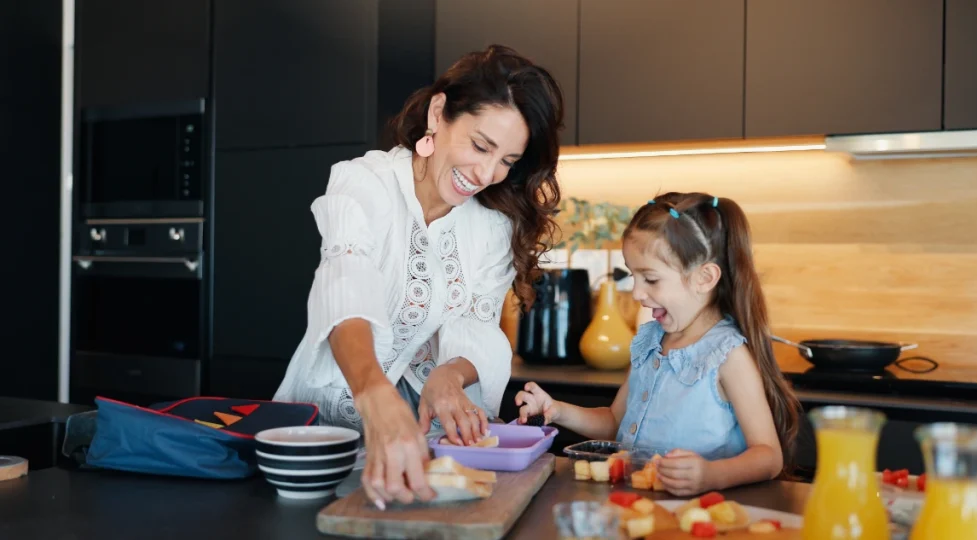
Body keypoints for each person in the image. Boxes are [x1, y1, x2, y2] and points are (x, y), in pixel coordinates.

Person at [273, 45, 564, 506]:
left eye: (508, 161)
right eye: (480, 145)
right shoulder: (364, 182)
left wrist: (449, 375)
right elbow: (345, 283)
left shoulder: (493, 226)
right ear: (438, 112)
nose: (487, 173)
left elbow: (477, 328)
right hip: (322, 432)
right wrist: (373, 393)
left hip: (424, 437)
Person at [516, 192, 801, 497]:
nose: (637, 292)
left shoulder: (727, 355)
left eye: (650, 279)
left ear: (704, 278)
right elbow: (616, 422)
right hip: (637, 504)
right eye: (632, 275)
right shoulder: (651, 341)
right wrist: (556, 410)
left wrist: (711, 475)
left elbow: (769, 456)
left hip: (703, 514)